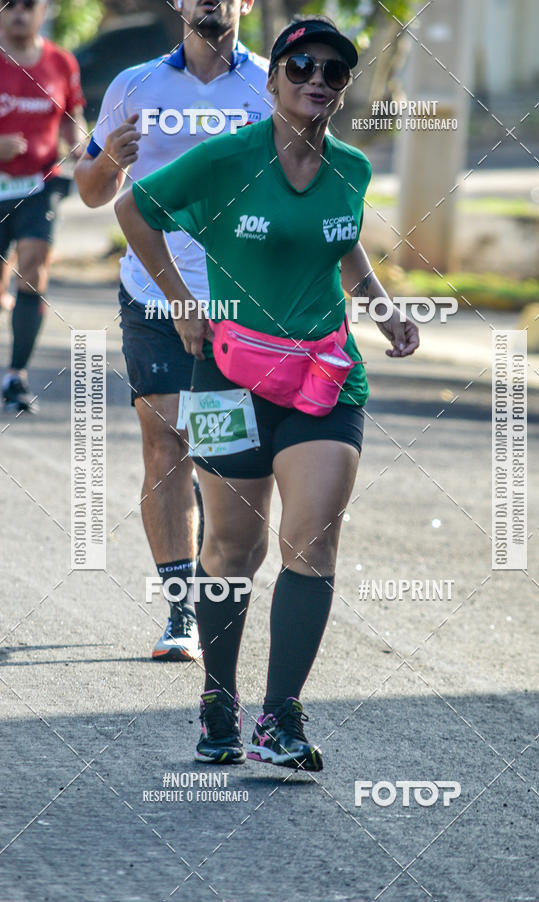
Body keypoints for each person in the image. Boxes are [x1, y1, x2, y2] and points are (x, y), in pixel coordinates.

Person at [115, 15, 419, 770]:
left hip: (325, 376)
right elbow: (133, 210)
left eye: (334, 73)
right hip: (227, 377)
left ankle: (280, 718)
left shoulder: (351, 166)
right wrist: (182, 303)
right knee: (230, 548)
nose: (318, 81)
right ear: (275, 77)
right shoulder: (226, 160)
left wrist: (381, 308)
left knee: (311, 541)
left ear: (342, 89)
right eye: (303, 67)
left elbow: (339, 239)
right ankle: (220, 697)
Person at [75, 0, 272, 662]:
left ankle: (217, 578)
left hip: (241, 303)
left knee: (219, 449)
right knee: (166, 442)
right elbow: (90, 189)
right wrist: (110, 163)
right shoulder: (134, 85)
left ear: (246, 3)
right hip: (154, 294)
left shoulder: (273, 84)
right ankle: (181, 610)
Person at [0, 0, 86, 413]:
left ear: (43, 10)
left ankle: (15, 376)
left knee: (33, 270)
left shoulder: (61, 62)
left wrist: (83, 145)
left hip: (40, 186)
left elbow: (72, 116)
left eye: (28, 5)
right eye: (9, 5)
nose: (18, 12)